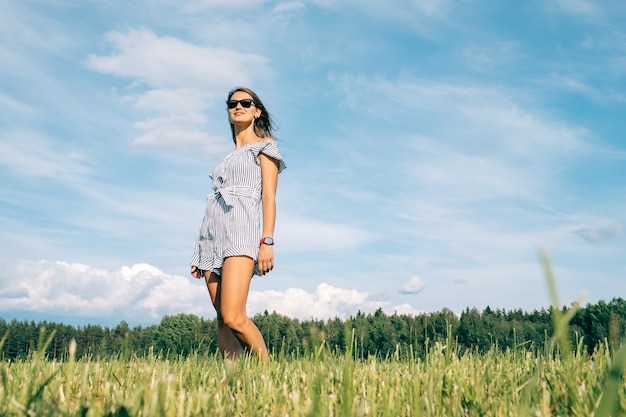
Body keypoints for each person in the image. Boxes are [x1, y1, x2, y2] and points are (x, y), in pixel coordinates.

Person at [190, 87, 286, 361]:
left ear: (257, 111)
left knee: (234, 316)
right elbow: (214, 204)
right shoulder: (226, 158)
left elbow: (269, 197)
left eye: (246, 103)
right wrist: (199, 251)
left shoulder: (265, 148)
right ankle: (233, 382)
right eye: (232, 103)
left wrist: (267, 241)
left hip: (241, 233)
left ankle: (269, 374)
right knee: (221, 317)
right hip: (211, 237)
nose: (238, 106)